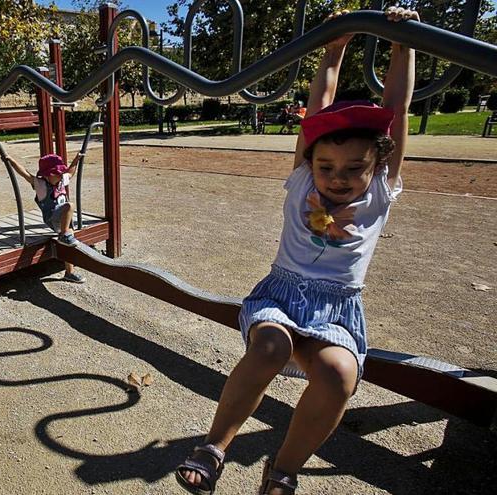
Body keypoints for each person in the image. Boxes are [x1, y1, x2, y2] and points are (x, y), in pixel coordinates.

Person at [175, 6, 417, 495]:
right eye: (327, 165)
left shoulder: (379, 193)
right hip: (282, 295)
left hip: (337, 307)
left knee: (339, 375)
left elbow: (397, 110)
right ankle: (214, 446)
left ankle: (283, 468)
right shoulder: (302, 178)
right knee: (269, 346)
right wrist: (334, 48)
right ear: (310, 161)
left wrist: (401, 44)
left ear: (378, 165)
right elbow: (318, 106)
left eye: (354, 167)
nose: (338, 177)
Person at [5, 152, 86, 283]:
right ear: (47, 175)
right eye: (57, 173)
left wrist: (76, 159)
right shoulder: (40, 184)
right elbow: (24, 173)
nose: (61, 176)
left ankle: (69, 273)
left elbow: (70, 172)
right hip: (52, 217)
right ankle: (64, 234)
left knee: (69, 244)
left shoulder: (61, 179)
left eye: (61, 173)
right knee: (69, 206)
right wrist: (10, 160)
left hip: (64, 218)